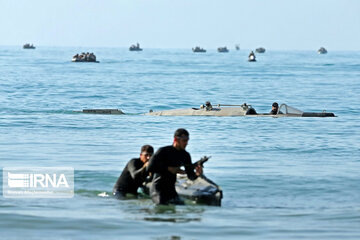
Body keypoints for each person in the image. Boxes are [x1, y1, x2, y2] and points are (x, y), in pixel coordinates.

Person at [146, 128, 203, 205]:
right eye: (184, 140)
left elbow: (190, 176)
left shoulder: (185, 155)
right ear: (176, 139)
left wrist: (197, 174)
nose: (186, 143)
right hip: (157, 189)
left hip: (171, 189)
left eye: (187, 140)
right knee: (162, 209)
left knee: (183, 207)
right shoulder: (163, 151)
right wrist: (168, 168)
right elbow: (149, 168)